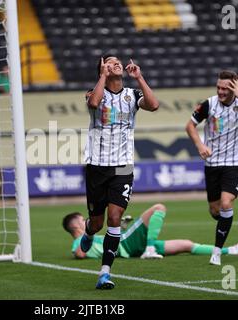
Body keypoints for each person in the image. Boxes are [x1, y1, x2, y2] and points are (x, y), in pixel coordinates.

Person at [81, 54, 159, 289]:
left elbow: (153, 105)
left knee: (114, 218)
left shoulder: (132, 95)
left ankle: (104, 272)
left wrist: (139, 77)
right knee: (97, 223)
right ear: (102, 70)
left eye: (117, 61)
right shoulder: (93, 93)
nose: (116, 63)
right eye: (109, 62)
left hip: (123, 166)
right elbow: (93, 104)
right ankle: (88, 232)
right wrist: (103, 76)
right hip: (97, 165)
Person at [185, 70, 238, 266]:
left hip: (234, 163)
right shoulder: (208, 104)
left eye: (224, 88)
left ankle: (216, 252)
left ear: (234, 87)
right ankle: (224, 225)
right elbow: (190, 126)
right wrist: (200, 145)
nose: (220, 91)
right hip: (212, 165)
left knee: (226, 203)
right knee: (215, 210)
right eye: (218, 87)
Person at [62, 203, 238, 260]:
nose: (87, 221)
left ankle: (229, 250)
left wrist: (121, 227)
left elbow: (101, 244)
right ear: (77, 226)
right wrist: (90, 235)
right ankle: (149, 249)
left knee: (186, 245)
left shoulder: (89, 238)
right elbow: (79, 253)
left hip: (127, 246)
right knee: (159, 208)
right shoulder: (78, 242)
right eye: (82, 220)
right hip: (127, 243)